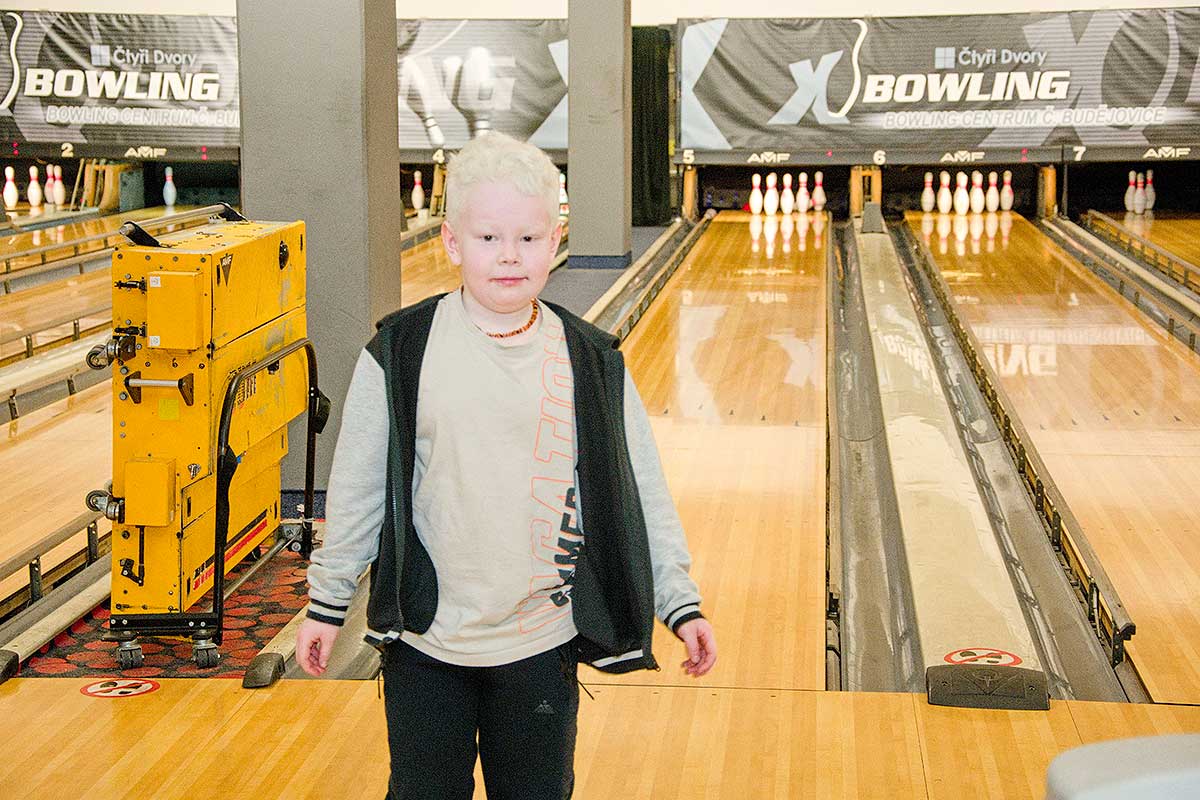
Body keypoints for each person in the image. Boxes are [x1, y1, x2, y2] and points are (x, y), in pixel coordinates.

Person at [295, 131, 716, 799]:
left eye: (528, 237)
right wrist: (328, 602)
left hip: (541, 643)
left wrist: (678, 601)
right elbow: (358, 491)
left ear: (555, 241)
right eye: (489, 238)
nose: (510, 255)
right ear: (452, 243)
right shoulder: (400, 351)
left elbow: (641, 491)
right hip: (426, 643)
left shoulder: (591, 360)